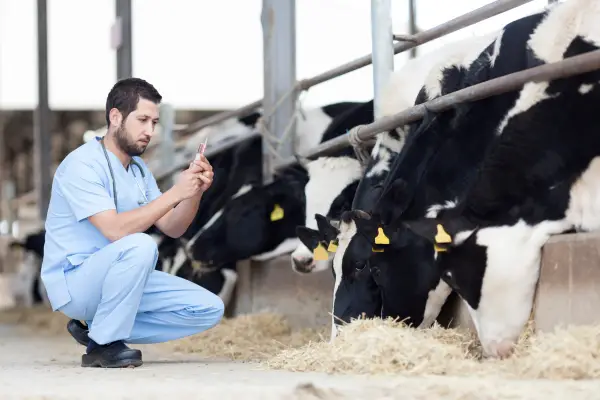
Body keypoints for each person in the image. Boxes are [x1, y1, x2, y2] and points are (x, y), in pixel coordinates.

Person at [40, 77, 225, 368]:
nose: (150, 131)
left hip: (122, 278)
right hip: (76, 282)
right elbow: (114, 230)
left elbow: (174, 227)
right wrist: (175, 192)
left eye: (154, 122)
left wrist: (193, 192)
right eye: (142, 120)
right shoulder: (81, 164)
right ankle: (102, 345)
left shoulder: (138, 170)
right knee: (140, 244)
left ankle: (96, 329)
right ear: (115, 117)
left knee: (208, 309)